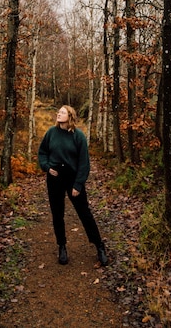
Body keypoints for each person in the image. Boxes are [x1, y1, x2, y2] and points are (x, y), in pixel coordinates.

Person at [38, 104, 108, 266]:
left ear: (70, 116)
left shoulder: (78, 136)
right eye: (58, 112)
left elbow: (84, 163)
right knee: (57, 214)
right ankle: (61, 246)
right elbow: (42, 152)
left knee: (84, 213)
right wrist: (47, 167)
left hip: (72, 178)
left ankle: (100, 246)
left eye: (62, 112)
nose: (59, 114)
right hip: (55, 178)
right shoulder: (51, 133)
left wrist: (78, 184)